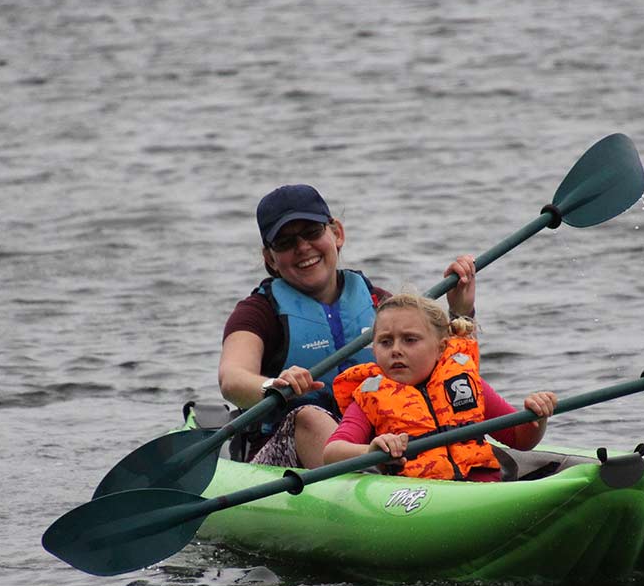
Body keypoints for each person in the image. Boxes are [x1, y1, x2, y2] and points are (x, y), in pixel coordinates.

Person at [218, 184, 476, 469]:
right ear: (270, 259)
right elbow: (232, 379)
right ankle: (386, 479)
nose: (303, 247)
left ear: (336, 233)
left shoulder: (379, 303)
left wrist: (461, 312)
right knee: (309, 417)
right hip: (287, 455)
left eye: (313, 232)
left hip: (378, 440)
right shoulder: (259, 312)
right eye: (285, 242)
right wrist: (274, 386)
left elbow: (447, 367)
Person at [325, 293, 558, 481]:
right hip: (417, 498)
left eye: (410, 340)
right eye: (386, 342)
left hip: (484, 490)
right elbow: (332, 453)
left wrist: (538, 417)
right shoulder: (370, 397)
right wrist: (369, 452)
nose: (396, 349)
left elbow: (521, 439)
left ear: (441, 347)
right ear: (374, 350)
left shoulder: (463, 382)